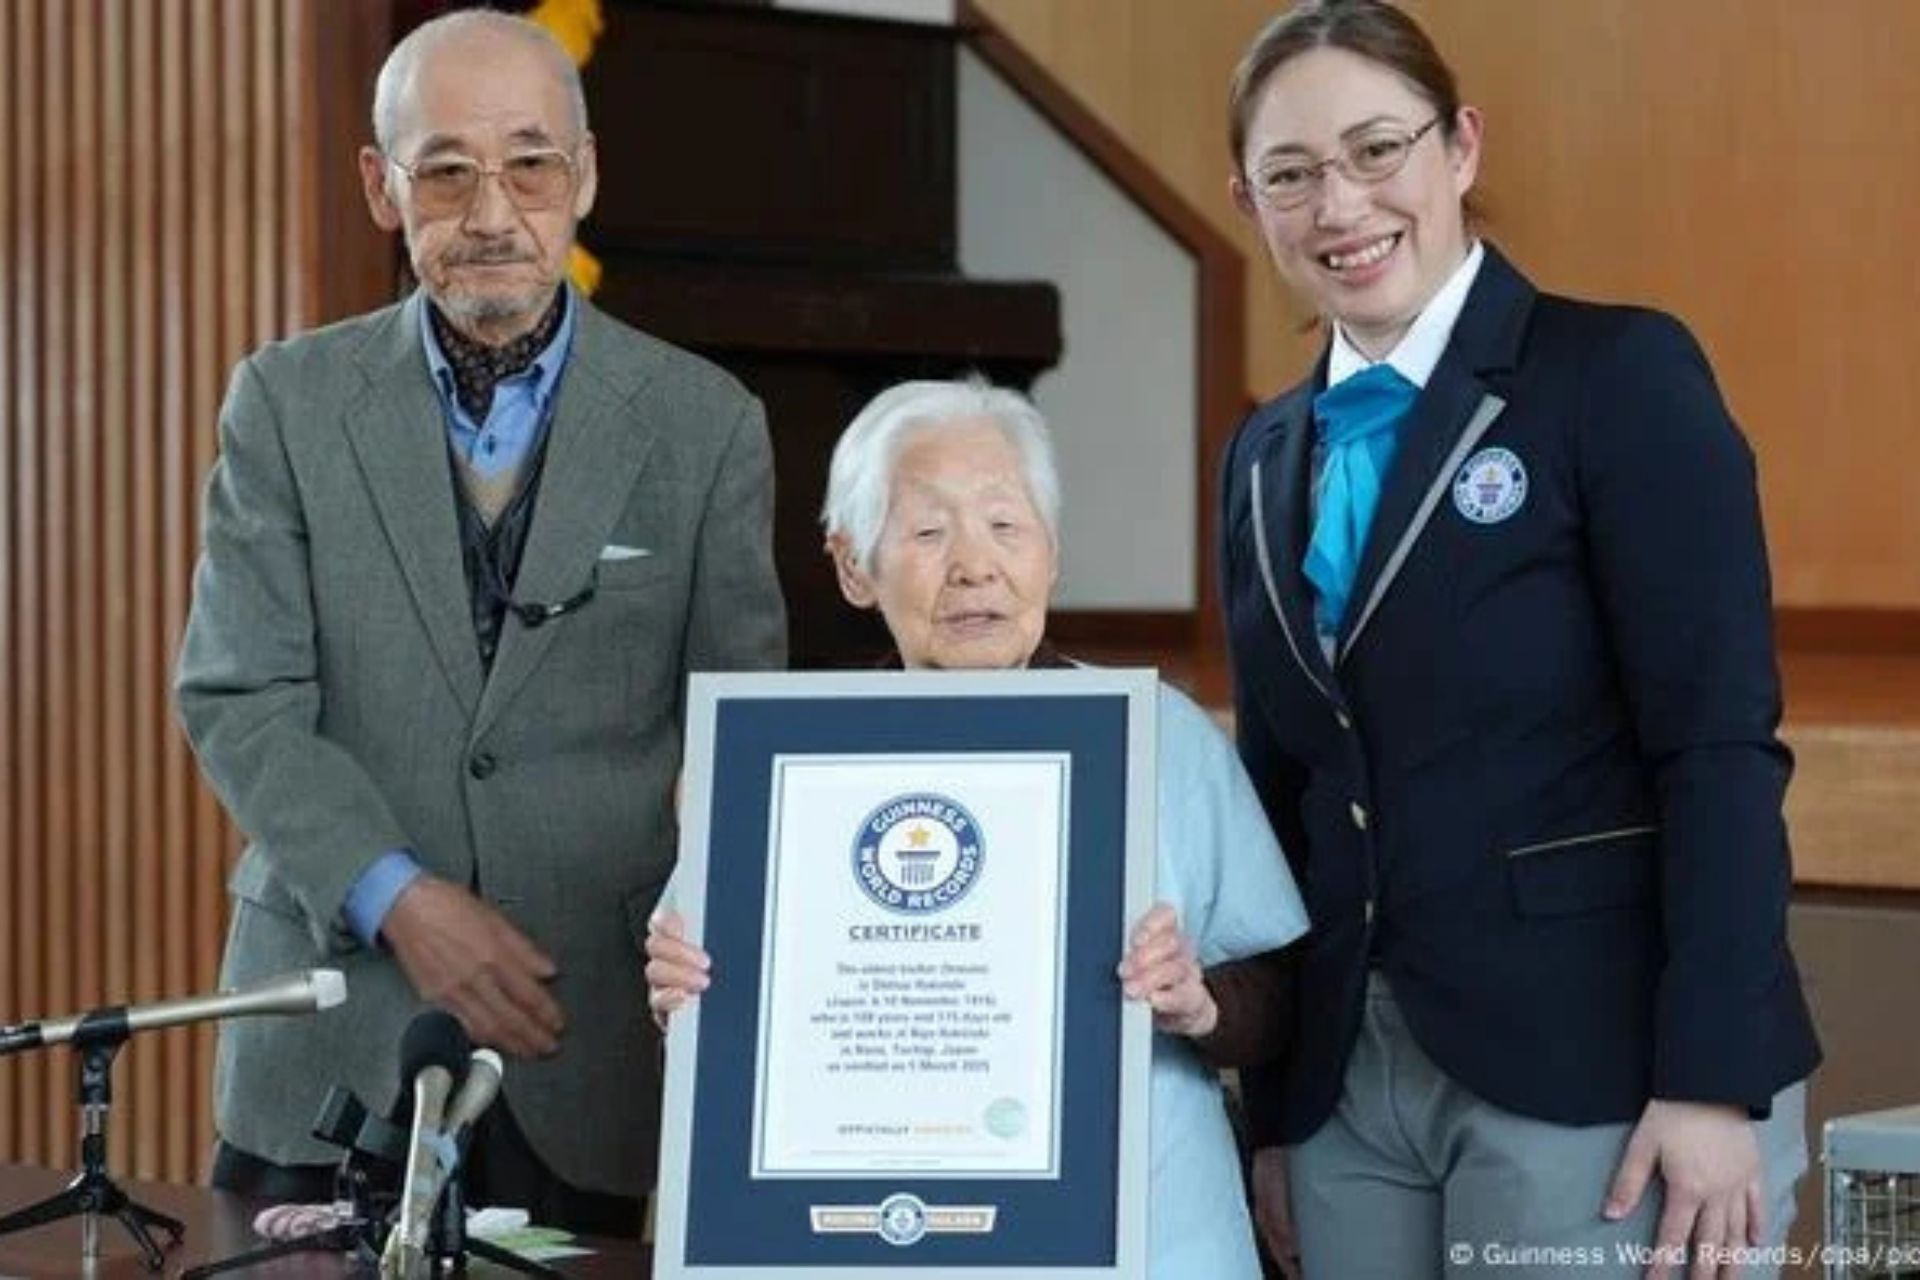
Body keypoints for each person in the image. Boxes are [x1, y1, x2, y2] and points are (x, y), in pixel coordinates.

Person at [1218, 3, 1821, 1277]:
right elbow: (1278, 791)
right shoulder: (1264, 452)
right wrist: (1269, 1109)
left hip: (1598, 1063)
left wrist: (1712, 1079)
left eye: (1378, 149)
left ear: (1461, 149)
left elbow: (1717, 745)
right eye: (1293, 174)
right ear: (1251, 200)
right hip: (1347, 1088)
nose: (1341, 205)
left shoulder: (1616, 376)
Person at [173, 10, 784, 1234]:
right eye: (444, 169)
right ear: (380, 188)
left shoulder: (707, 425)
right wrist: (399, 896)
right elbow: (238, 695)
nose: (491, 211)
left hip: (591, 1033)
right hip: (329, 1030)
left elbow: (739, 743)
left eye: (530, 163)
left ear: (588, 174)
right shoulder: (284, 405)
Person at [645, 379, 1308, 1278]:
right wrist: (682, 989)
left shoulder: (1162, 739)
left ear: (1052, 551)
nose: (974, 566)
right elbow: (709, 1011)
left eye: (1006, 524)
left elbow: (1279, 995)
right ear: (851, 563)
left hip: (1144, 1237)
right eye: (927, 531)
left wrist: (1199, 1001)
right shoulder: (781, 760)